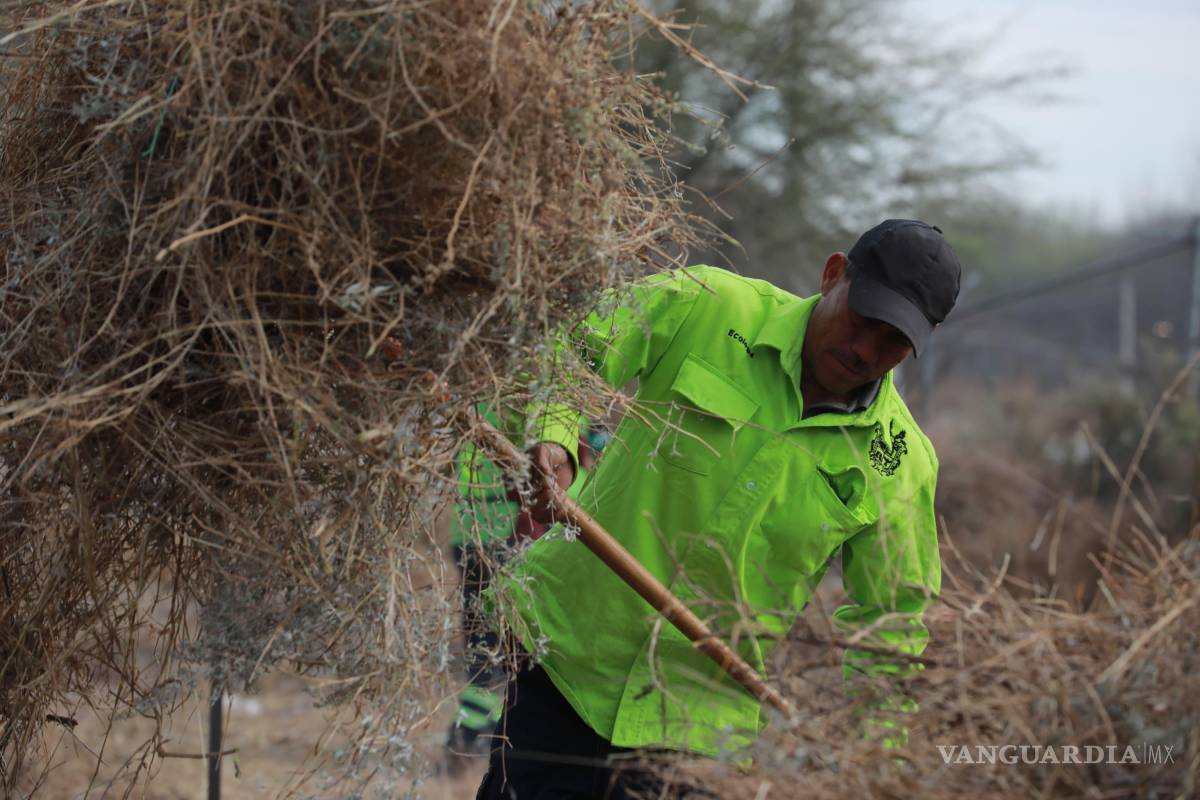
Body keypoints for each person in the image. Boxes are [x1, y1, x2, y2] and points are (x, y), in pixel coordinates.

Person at [475, 219, 963, 799]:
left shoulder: (901, 463)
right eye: (863, 320)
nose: (865, 350)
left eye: (894, 343)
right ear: (834, 274)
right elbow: (571, 353)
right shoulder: (705, 305)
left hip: (698, 730)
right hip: (566, 667)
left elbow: (892, 624)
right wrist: (553, 438)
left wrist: (873, 757)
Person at [444, 406, 606, 767]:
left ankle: (467, 737)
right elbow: (593, 445)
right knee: (525, 649)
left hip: (473, 531)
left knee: (483, 644)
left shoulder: (479, 391)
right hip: (523, 534)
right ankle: (496, 743)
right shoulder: (547, 390)